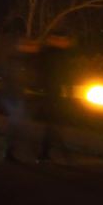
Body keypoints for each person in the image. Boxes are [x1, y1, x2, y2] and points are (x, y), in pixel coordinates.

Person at [36, 33, 73, 163]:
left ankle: (46, 152)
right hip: (52, 93)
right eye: (63, 39)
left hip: (53, 92)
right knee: (53, 124)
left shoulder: (52, 54)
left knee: (53, 124)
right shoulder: (52, 55)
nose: (66, 42)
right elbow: (58, 73)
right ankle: (58, 152)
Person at [1, 39, 34, 162]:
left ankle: (11, 150)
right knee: (18, 123)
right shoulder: (16, 62)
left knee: (18, 123)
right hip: (12, 96)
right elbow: (12, 80)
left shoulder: (17, 61)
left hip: (14, 96)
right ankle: (11, 150)